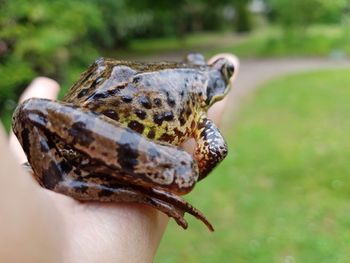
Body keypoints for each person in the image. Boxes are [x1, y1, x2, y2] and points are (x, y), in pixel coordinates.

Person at [1, 54, 239, 263]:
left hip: (76, 120)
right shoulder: (197, 107)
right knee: (184, 171)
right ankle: (69, 177)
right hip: (92, 133)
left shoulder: (175, 81)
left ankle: (67, 170)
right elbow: (215, 149)